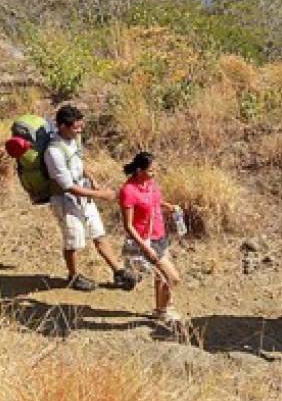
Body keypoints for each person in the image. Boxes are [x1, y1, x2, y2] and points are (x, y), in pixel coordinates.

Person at [43, 104, 137, 292]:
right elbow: (68, 186)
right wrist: (101, 195)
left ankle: (118, 271)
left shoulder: (73, 140)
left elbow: (78, 161)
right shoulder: (53, 153)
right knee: (73, 239)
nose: (79, 131)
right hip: (65, 201)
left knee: (98, 232)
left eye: (80, 127)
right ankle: (73, 276)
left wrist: (91, 178)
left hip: (84, 195)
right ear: (62, 126)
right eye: (75, 128)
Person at [118, 151, 182, 325]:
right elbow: (128, 225)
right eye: (151, 171)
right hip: (146, 241)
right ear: (139, 170)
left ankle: (160, 309)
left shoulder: (149, 183)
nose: (154, 174)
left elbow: (155, 201)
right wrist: (145, 248)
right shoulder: (128, 191)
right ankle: (164, 309)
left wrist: (169, 207)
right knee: (172, 277)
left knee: (161, 276)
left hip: (160, 235)